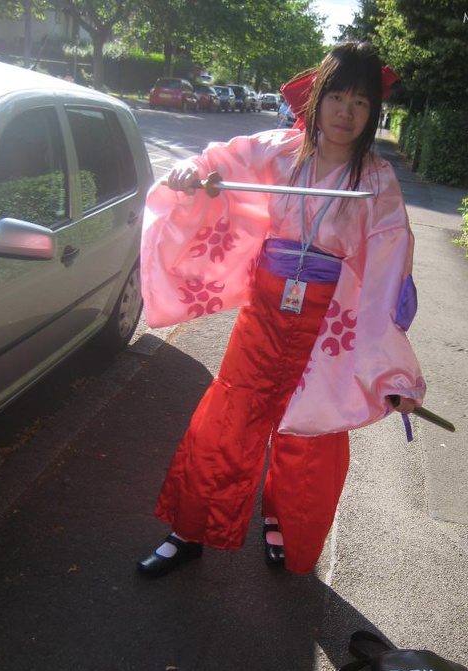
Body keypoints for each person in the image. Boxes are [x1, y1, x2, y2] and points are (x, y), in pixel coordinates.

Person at [137, 40, 426, 578]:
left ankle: (283, 525)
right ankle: (189, 528)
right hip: (266, 313)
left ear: (373, 112)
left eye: (360, 102)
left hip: (330, 324)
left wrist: (391, 371)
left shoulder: (377, 181)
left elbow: (386, 276)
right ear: (317, 98)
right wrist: (190, 173)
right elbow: (218, 162)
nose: (346, 112)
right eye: (336, 97)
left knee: (309, 432)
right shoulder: (279, 150)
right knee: (230, 417)